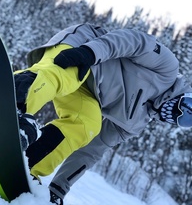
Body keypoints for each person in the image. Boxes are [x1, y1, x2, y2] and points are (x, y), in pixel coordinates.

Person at [14, 23, 192, 204]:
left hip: (88, 92)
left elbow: (92, 150)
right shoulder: (168, 69)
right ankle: (12, 107)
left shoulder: (135, 123)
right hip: (82, 49)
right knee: (64, 76)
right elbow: (134, 41)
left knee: (87, 125)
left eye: (185, 120)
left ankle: (28, 164)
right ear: (186, 95)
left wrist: (59, 188)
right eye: (187, 107)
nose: (178, 114)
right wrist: (90, 52)